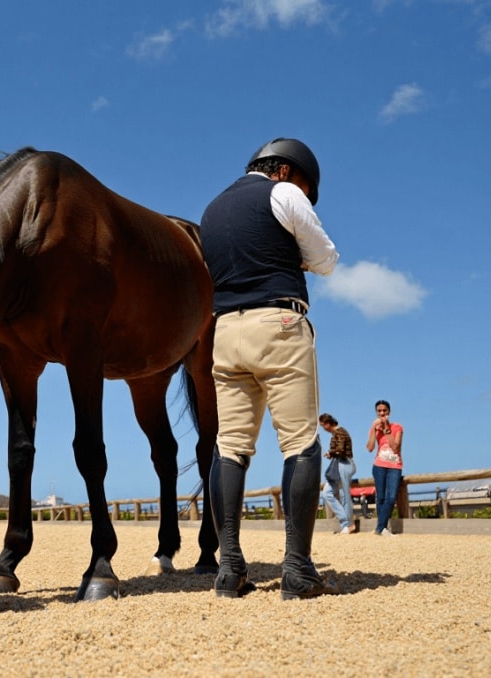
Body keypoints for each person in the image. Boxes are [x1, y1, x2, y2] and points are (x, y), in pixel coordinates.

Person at [199, 137, 339, 600]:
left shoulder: (211, 210)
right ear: (284, 170)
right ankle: (297, 569)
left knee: (231, 447)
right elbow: (325, 260)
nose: (305, 192)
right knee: (300, 442)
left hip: (225, 333)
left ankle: (229, 569)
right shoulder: (283, 193)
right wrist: (294, 254)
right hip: (277, 323)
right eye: (305, 185)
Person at [365, 400, 403, 536]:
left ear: (389, 412)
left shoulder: (397, 427)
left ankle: (380, 528)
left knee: (391, 497)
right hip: (379, 466)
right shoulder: (374, 427)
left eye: (384, 411)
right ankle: (382, 528)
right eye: (379, 411)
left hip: (394, 466)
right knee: (380, 497)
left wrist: (386, 429)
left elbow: (395, 447)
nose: (382, 413)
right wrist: (374, 430)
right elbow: (369, 448)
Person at [318, 413, 357, 534]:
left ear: (327, 424)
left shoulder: (340, 432)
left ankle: (348, 524)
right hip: (339, 464)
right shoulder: (337, 433)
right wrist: (332, 454)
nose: (323, 428)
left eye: (323, 425)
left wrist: (331, 453)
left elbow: (340, 450)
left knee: (344, 495)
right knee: (327, 493)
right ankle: (346, 521)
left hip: (344, 464)